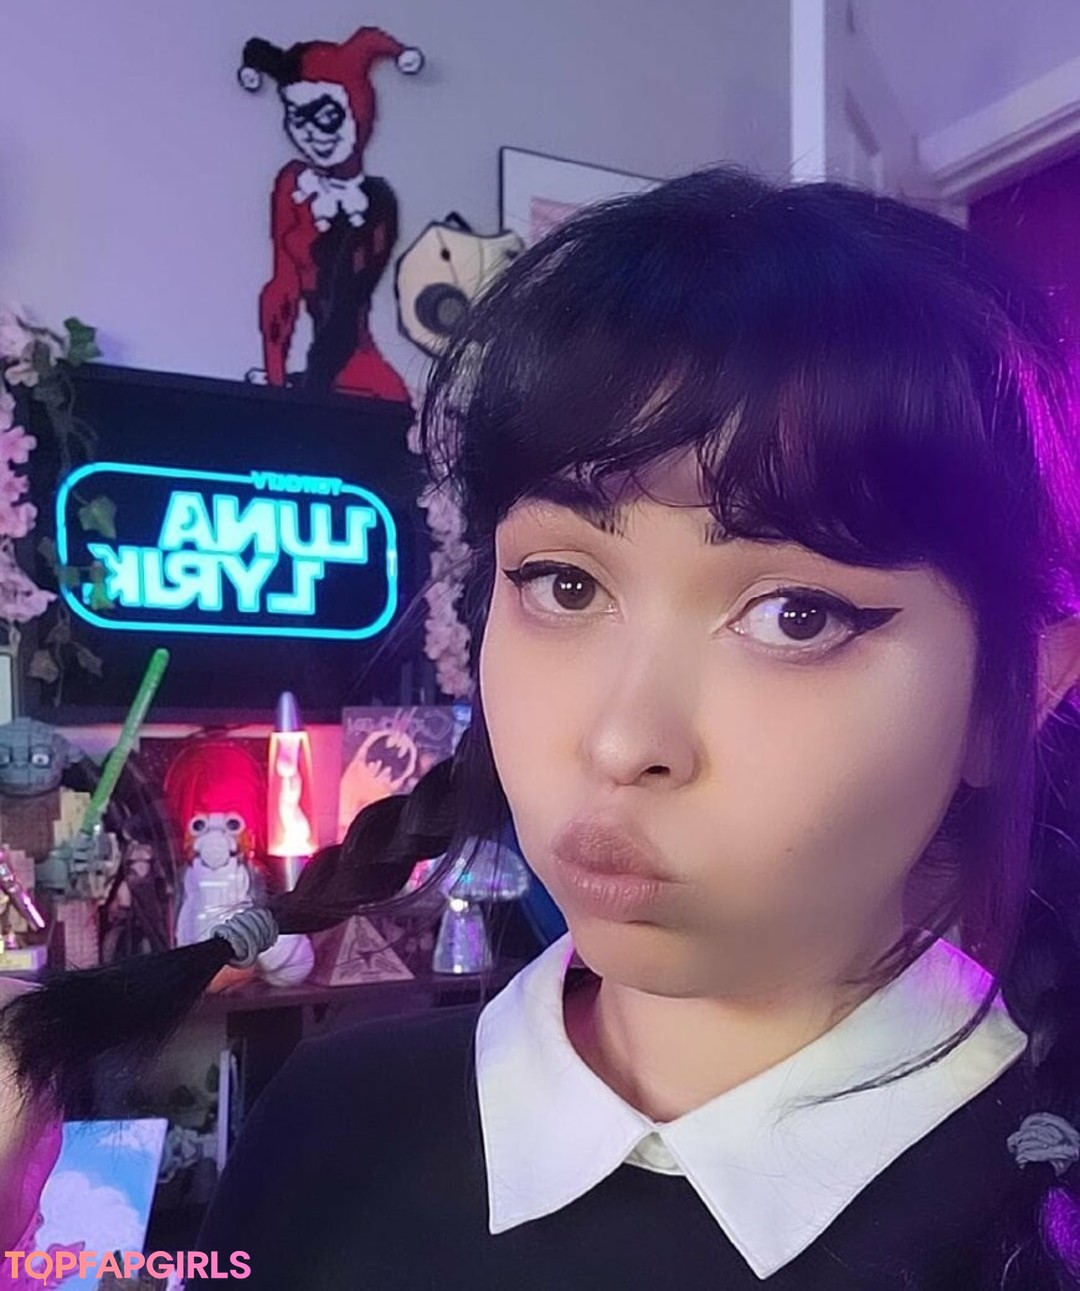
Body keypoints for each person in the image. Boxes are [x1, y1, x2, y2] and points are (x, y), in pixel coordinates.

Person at [3, 164, 1080, 1289]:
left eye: (795, 614)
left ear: (1014, 696)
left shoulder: (1032, 1206)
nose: (621, 741)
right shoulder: (330, 1118)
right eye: (565, 584)